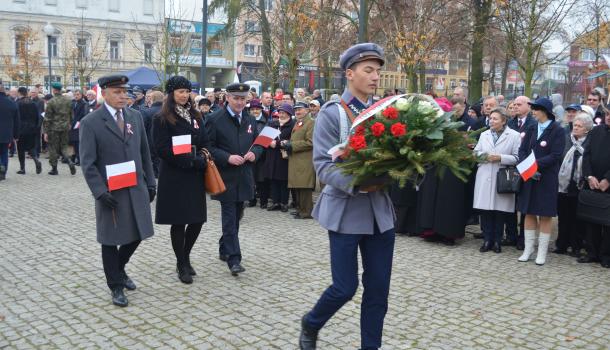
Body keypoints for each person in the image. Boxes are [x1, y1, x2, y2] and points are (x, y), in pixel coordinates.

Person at [299, 43, 395, 350]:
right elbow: (323, 167)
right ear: (349, 73)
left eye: (378, 71)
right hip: (345, 210)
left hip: (380, 213)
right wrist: (357, 183)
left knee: (378, 289)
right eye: (368, 70)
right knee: (345, 287)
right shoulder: (333, 114)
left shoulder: (389, 114)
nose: (375, 76)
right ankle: (311, 323)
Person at [79, 75, 156, 307]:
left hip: (135, 186)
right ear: (104, 93)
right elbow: (87, 163)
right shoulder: (91, 122)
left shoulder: (135, 116)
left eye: (125, 91)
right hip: (110, 191)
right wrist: (99, 192)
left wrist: (151, 182)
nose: (123, 96)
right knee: (111, 239)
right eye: (117, 92)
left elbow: (145, 152)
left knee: (139, 232)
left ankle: (119, 269)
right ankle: (115, 285)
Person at [152, 76, 208, 284]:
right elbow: (161, 148)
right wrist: (187, 160)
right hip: (175, 174)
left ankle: (185, 256)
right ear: (171, 94)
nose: (185, 95)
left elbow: (205, 140)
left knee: (197, 219)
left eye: (187, 91)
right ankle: (181, 263)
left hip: (194, 174)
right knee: (179, 221)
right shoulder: (161, 117)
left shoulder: (196, 115)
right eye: (180, 92)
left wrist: (202, 156)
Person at [206, 83, 263, 276]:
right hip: (225, 177)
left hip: (244, 176)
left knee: (238, 216)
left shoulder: (249, 119)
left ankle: (224, 246)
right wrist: (227, 157)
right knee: (229, 218)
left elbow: (258, 143)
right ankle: (234, 259)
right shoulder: (215, 119)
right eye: (236, 98)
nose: (240, 102)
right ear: (227, 98)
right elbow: (208, 147)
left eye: (243, 98)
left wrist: (255, 153)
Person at [517, 97, 565, 265]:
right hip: (529, 176)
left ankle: (542, 252)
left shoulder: (557, 130)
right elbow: (522, 150)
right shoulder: (531, 127)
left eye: (536, 109)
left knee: (545, 214)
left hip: (547, 178)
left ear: (544, 111)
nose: (533, 112)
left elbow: (556, 155)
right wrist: (526, 165)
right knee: (528, 212)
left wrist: (535, 165)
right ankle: (528, 249)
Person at [473, 108, 521, 253]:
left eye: (495, 119)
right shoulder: (484, 134)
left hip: (503, 176)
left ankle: (497, 241)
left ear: (503, 121)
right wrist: (483, 156)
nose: (491, 121)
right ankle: (487, 240)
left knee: (500, 211)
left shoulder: (514, 135)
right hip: (485, 173)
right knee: (486, 211)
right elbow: (476, 152)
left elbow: (517, 157)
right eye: (490, 118)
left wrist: (500, 157)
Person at [554, 112, 592, 257]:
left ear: (587, 129)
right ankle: (561, 244)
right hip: (563, 184)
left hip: (580, 184)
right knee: (563, 216)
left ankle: (575, 245)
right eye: (575, 125)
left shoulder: (589, 142)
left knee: (577, 218)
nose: (575, 128)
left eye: (579, 126)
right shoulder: (566, 140)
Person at [579, 108, 610, 267]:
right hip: (593, 182)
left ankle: (606, 256)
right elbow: (587, 154)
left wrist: (608, 179)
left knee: (608, 223)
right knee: (592, 220)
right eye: (607, 114)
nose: (608, 117)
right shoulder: (596, 131)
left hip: (607, 184)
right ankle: (592, 252)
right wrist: (589, 176)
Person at [505, 95, 535, 249]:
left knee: (524, 204)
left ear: (528, 106)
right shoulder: (510, 123)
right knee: (510, 203)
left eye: (519, 104)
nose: (515, 107)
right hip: (511, 167)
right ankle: (511, 235)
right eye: (514, 104)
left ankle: (523, 238)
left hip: (526, 167)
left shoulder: (533, 123)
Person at [285, 102, 315, 219]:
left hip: (305, 159)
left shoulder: (311, 122)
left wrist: (292, 145)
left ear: (307, 110)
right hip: (297, 159)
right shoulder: (299, 122)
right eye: (296, 109)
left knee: (304, 186)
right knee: (298, 185)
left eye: (300, 109)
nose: (297, 112)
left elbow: (310, 142)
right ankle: (300, 209)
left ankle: (306, 212)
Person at [265, 103, 294, 212]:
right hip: (272, 156)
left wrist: (276, 143)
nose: (281, 115)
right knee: (273, 180)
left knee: (283, 180)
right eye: (280, 112)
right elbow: (264, 138)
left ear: (289, 114)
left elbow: (290, 141)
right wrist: (271, 142)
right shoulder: (272, 123)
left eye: (284, 113)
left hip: (284, 156)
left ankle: (284, 203)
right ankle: (275, 202)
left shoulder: (292, 125)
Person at [43, 82, 76, 176]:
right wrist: (69, 124)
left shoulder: (51, 102)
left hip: (54, 128)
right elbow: (71, 115)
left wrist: (45, 132)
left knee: (53, 148)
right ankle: (69, 161)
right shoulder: (68, 100)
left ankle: (54, 169)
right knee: (64, 146)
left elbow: (47, 118)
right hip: (65, 127)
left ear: (54, 90)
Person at [246, 99, 269, 208]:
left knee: (262, 179)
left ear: (261, 109)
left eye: (257, 109)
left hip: (263, 153)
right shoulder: (246, 121)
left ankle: (264, 201)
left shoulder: (267, 121)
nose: (255, 111)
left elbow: (268, 137)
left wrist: (260, 148)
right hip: (249, 152)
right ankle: (252, 199)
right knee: (251, 178)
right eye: (252, 109)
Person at [15, 87, 42, 175]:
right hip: (32, 129)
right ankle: (36, 160)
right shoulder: (33, 103)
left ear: (19, 93)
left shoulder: (18, 103)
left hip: (21, 129)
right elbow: (37, 116)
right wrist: (36, 127)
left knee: (20, 149)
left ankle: (22, 168)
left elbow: (16, 118)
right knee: (31, 147)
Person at [141, 91, 164, 178]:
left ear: (152, 99)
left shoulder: (146, 112)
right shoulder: (170, 112)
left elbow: (142, 130)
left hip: (151, 145)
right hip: (166, 145)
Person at [0, 85, 20, 181]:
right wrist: (16, 135)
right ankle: (3, 171)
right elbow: (17, 121)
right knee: (4, 152)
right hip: (6, 133)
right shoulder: (11, 103)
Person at [70, 90, 88, 165]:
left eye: (78, 94)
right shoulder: (74, 103)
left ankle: (80, 160)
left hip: (79, 125)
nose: (76, 96)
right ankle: (75, 158)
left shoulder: (84, 104)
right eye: (75, 94)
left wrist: (77, 124)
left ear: (81, 95)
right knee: (74, 143)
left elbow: (83, 115)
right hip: (72, 124)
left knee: (78, 143)